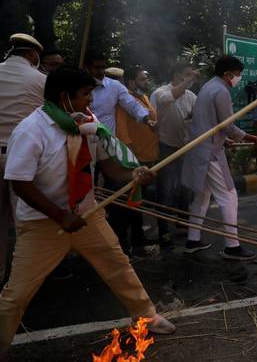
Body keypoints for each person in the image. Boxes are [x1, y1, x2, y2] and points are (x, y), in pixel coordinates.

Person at [0, 67, 175, 354]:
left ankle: (147, 316)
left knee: (118, 266)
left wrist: (133, 175)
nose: (91, 101)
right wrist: (60, 216)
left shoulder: (89, 124)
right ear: (64, 98)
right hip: (43, 224)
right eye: (85, 95)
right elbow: (20, 184)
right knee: (16, 295)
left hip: (88, 214)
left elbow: (109, 167)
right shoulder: (31, 130)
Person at [182, 56, 257, 259]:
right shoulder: (220, 91)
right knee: (229, 197)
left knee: (201, 198)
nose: (238, 78)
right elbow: (227, 125)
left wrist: (223, 138)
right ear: (228, 73)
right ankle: (232, 246)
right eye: (237, 74)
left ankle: (192, 240)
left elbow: (212, 123)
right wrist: (253, 138)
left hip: (201, 148)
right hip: (209, 153)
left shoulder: (208, 86)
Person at [0, 33, 46, 285]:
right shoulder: (40, 80)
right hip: (23, 160)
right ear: (32, 55)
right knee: (25, 222)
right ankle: (22, 280)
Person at [150, 61, 198, 248]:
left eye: (192, 75)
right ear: (176, 75)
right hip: (165, 148)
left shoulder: (192, 96)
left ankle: (182, 222)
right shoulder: (160, 92)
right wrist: (189, 79)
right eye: (187, 75)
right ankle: (163, 232)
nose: (191, 79)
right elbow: (170, 97)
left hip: (185, 148)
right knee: (165, 190)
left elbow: (197, 117)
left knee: (186, 188)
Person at [112, 66, 159, 254]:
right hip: (135, 158)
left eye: (147, 79)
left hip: (149, 155)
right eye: (142, 79)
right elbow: (122, 130)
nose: (146, 83)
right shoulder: (125, 102)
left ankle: (139, 237)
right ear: (131, 82)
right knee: (127, 202)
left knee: (138, 202)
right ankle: (124, 244)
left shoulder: (144, 98)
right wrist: (130, 156)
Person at [84, 51, 150, 133]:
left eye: (103, 67)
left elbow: (131, 104)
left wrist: (146, 118)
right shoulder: (77, 86)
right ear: (87, 68)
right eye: (97, 68)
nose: (101, 71)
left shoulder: (115, 86)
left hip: (107, 140)